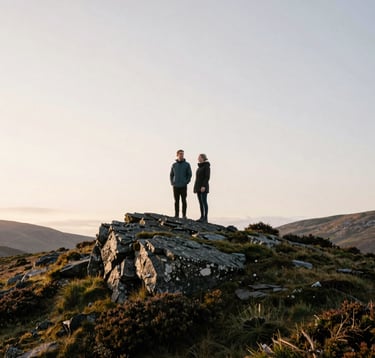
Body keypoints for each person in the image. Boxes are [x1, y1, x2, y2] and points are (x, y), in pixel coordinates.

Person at [170, 149, 192, 219]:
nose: (181, 155)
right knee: (176, 201)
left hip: (183, 185)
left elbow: (189, 174)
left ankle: (184, 215)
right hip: (175, 185)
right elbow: (171, 175)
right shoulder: (174, 165)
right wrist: (172, 182)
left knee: (184, 200)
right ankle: (176, 215)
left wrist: (186, 182)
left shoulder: (187, 164)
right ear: (177, 155)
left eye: (182, 154)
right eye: (180, 154)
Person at [193, 153, 210, 223]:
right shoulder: (199, 168)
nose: (198, 158)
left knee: (204, 202)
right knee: (200, 202)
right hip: (198, 187)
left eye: (199, 157)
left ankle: (205, 218)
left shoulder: (206, 167)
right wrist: (195, 188)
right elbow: (197, 179)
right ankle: (201, 217)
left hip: (203, 187)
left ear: (202, 158)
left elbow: (207, 177)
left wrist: (203, 186)